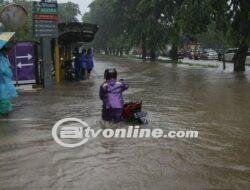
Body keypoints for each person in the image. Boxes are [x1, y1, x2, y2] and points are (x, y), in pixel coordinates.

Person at [0, 47, 17, 116]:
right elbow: (5, 70)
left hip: (4, 82)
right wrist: (9, 68)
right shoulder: (1, 59)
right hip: (2, 81)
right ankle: (4, 112)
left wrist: (9, 67)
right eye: (6, 51)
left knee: (4, 97)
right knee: (3, 97)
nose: (7, 52)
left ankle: (4, 112)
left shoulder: (4, 58)